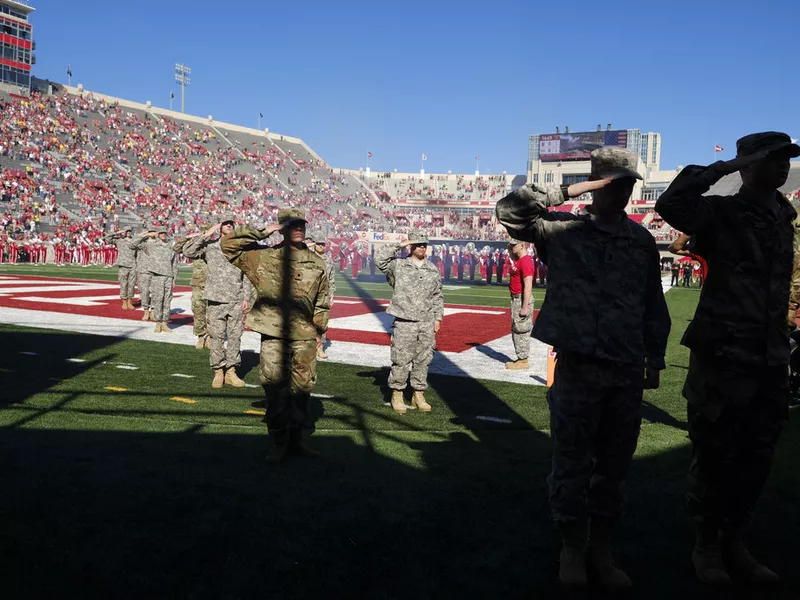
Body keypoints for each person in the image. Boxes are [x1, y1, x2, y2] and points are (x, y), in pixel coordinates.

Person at [496, 147, 671, 589]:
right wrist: (572, 190)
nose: (623, 192)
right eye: (613, 182)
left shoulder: (641, 240)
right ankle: (572, 547)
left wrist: (655, 357)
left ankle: (601, 549)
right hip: (577, 366)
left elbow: (654, 303)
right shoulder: (562, 230)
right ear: (596, 183)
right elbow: (509, 212)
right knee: (572, 463)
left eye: (628, 183)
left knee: (614, 467)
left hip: (626, 370)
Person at [655, 131, 800, 586]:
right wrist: (723, 170)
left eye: (786, 160)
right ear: (748, 163)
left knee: (756, 456)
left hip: (770, 355)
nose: (782, 167)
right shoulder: (720, 212)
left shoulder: (785, 215)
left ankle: (736, 540)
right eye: (772, 159)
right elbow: (671, 204)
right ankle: (707, 544)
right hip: (724, 353)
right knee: (715, 455)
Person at [221, 209, 330, 464]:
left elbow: (323, 301)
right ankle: (279, 441)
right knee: (275, 388)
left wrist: (319, 331)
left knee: (303, 389)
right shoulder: (263, 256)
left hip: (304, 334)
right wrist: (261, 231)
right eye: (292, 225)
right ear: (281, 228)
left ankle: (298, 441)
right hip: (274, 333)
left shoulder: (316, 262)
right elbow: (228, 246)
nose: (299, 229)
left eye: (301, 225)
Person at [375, 232, 444, 415]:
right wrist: (401, 244)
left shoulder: (432, 269)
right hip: (405, 320)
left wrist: (438, 318)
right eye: (418, 244)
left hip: (426, 321)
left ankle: (418, 394)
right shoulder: (398, 265)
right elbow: (379, 259)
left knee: (424, 359)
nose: (422, 247)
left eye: (424, 244)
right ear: (411, 246)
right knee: (401, 359)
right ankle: (397, 393)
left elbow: (438, 295)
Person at [183, 216, 252, 389]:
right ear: (220, 228)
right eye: (225, 224)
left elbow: (248, 274)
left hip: (236, 299)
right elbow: (188, 251)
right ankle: (218, 371)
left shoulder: (241, 248)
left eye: (231, 224)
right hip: (215, 299)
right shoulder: (211, 247)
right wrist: (206, 234)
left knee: (235, 337)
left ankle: (231, 371)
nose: (229, 226)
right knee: (217, 337)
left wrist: (246, 298)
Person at [132, 228, 177, 333]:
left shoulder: (170, 246)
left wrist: (174, 278)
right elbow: (133, 244)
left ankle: (165, 323)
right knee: (158, 299)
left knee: (167, 300)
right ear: (157, 234)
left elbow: (174, 263)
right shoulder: (150, 245)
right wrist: (146, 235)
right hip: (157, 276)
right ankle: (157, 322)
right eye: (160, 233)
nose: (163, 235)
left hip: (168, 276)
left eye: (164, 233)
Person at [174, 230, 209, 350]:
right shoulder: (194, 245)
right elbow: (177, 248)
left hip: (214, 285)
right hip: (198, 284)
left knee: (213, 314)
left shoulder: (215, 244)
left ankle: (210, 337)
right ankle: (200, 336)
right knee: (198, 311)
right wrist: (188, 237)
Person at [307, 230, 336, 359]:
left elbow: (331, 279)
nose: (321, 246)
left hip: (323, 295)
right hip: (308, 295)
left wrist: (332, 295)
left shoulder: (328, 261)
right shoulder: (307, 257)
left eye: (323, 244)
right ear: (314, 244)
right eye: (319, 244)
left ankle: (320, 348)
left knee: (321, 323)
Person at [506, 239, 534, 370]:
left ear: (522, 246)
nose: (511, 247)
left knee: (521, 329)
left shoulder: (526, 261)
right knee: (516, 328)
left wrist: (525, 306)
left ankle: (523, 360)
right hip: (516, 298)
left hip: (521, 298)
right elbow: (511, 255)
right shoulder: (519, 260)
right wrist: (510, 248)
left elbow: (528, 285)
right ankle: (520, 357)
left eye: (514, 245)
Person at [105, 227, 136, 310]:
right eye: (127, 231)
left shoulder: (134, 241)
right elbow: (107, 238)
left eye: (129, 231)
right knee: (123, 284)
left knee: (132, 285)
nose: (128, 232)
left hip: (133, 265)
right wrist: (118, 232)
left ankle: (130, 301)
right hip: (123, 265)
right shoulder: (119, 240)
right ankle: (124, 301)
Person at [135, 229, 155, 320]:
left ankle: (153, 311)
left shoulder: (159, 243)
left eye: (154, 231)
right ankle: (146, 311)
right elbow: (132, 243)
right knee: (145, 293)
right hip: (144, 271)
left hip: (156, 271)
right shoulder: (142, 243)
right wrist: (143, 234)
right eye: (150, 232)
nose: (152, 233)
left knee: (155, 293)